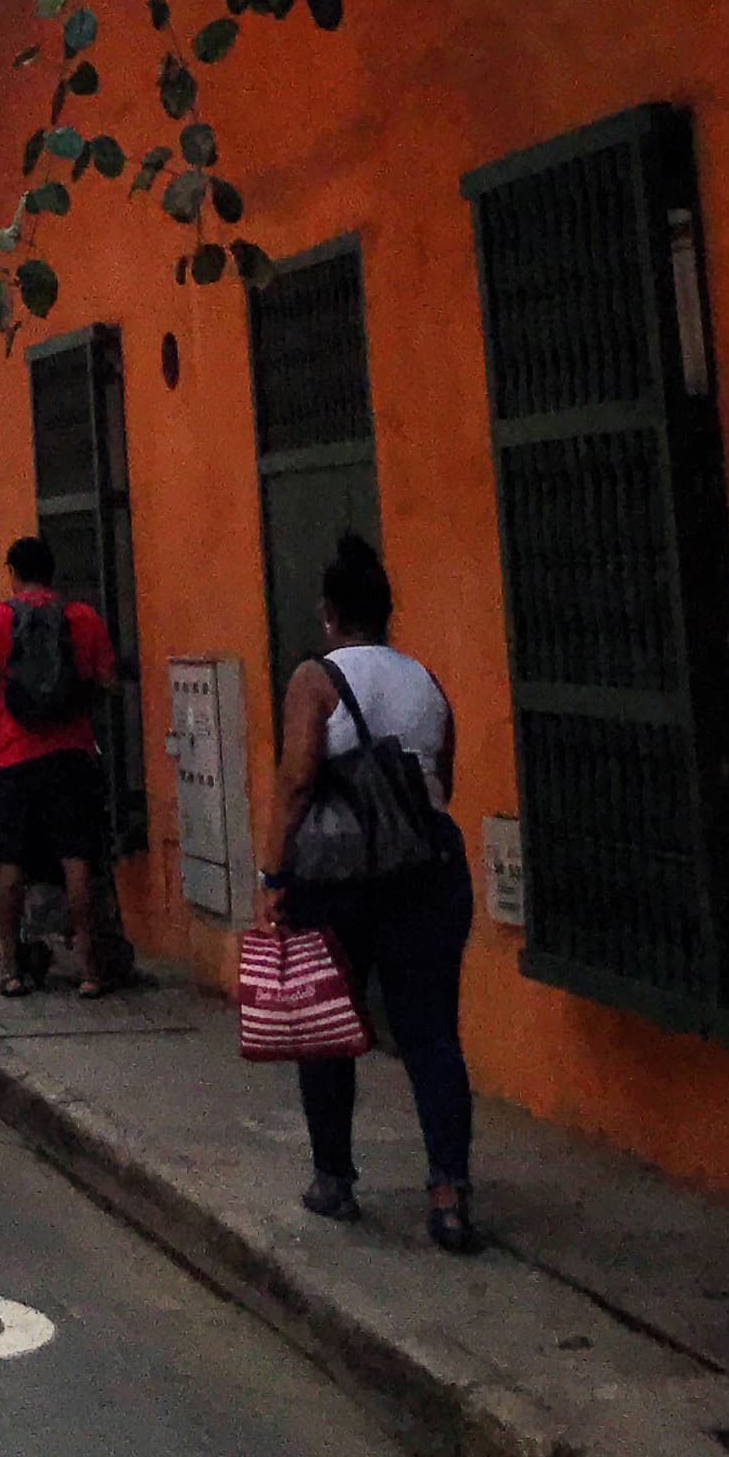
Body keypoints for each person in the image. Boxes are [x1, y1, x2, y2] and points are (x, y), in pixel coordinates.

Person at [262, 532, 478, 1253]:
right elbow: (443, 776)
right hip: (427, 873)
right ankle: (448, 1191)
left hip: (338, 882)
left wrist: (274, 874)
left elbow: (296, 780)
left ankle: (334, 1179)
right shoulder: (424, 678)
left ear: (329, 614)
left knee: (326, 1031)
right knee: (433, 1036)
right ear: (388, 613)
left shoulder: (314, 680)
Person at [0, 535, 118, 998]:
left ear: (12, 572)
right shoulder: (83, 617)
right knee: (77, 860)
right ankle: (91, 968)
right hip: (73, 754)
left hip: (14, 756)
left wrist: (6, 692)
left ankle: (12, 967)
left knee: (8, 862)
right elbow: (107, 681)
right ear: (53, 571)